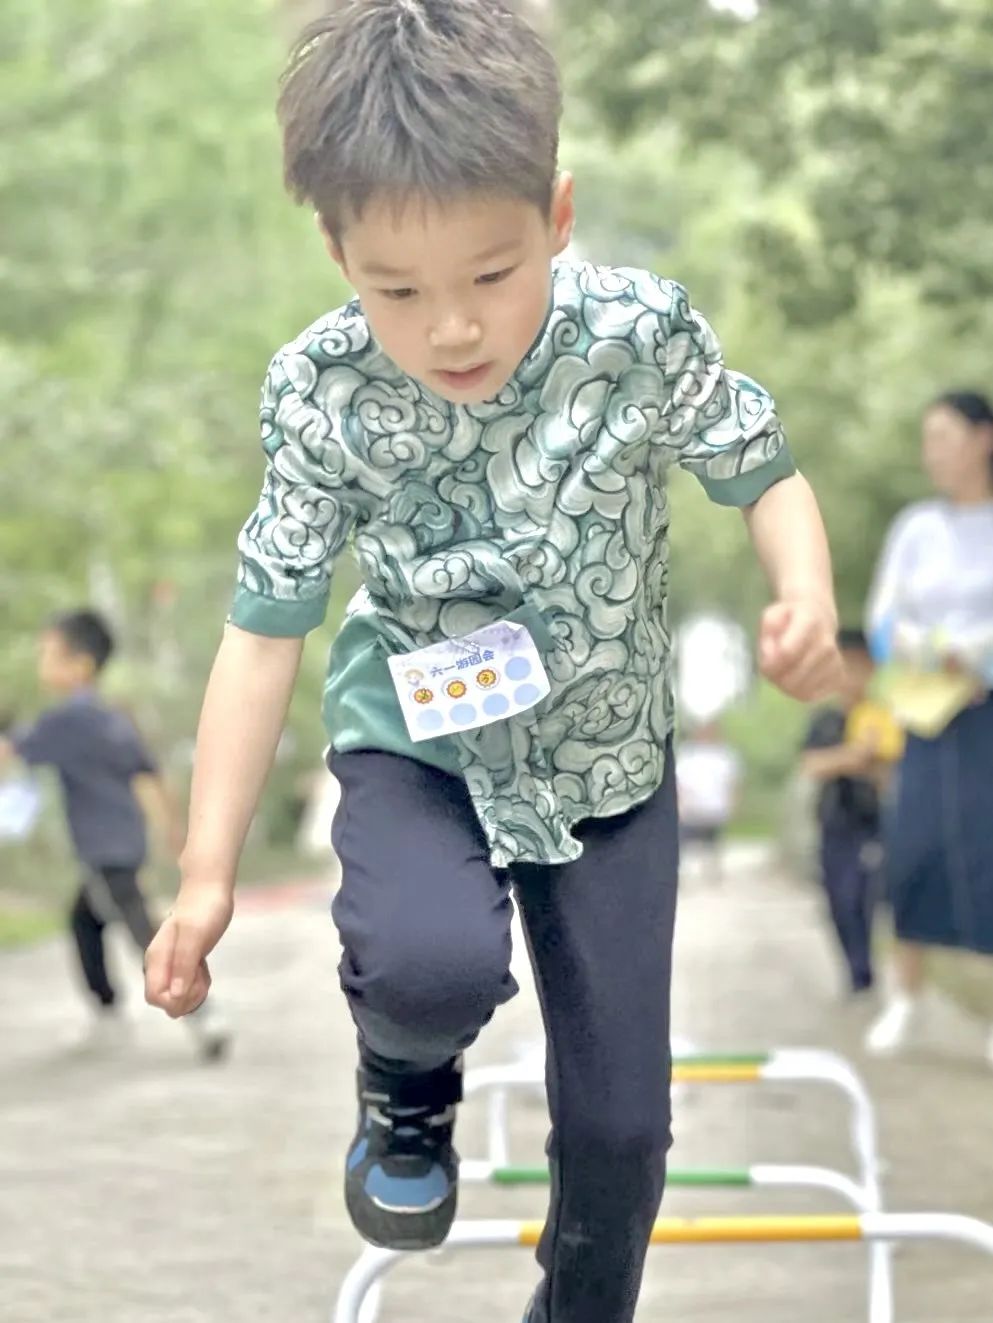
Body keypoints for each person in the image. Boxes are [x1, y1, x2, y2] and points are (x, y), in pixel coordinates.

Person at [142, 4, 843, 1320]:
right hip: (419, 736)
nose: (451, 327)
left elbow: (766, 469)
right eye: (396, 291)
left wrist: (802, 592)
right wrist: (203, 873)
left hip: (608, 749)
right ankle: (404, 1095)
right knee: (428, 962)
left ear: (557, 214)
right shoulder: (321, 392)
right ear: (336, 251)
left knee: (625, 1138)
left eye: (491, 274)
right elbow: (262, 632)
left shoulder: (638, 338)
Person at [0, 609, 228, 1061]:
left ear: (79, 665)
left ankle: (205, 1013)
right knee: (83, 921)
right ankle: (108, 1013)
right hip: (125, 842)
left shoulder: (66, 721)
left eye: (49, 654)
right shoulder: (113, 718)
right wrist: (172, 830)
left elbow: (12, 750)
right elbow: (149, 772)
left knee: (143, 932)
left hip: (103, 851)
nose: (42, 664)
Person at [863, 390, 993, 1058]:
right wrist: (921, 648)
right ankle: (904, 998)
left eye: (943, 435)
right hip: (922, 710)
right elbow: (883, 619)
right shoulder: (915, 526)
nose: (931, 451)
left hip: (985, 709)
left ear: (982, 438)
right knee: (911, 850)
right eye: (926, 438)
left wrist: (975, 656)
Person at [801, 629, 902, 998]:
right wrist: (853, 756)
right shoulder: (825, 720)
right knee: (837, 901)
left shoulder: (884, 716)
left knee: (863, 897)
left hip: (870, 824)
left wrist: (867, 763)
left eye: (859, 667)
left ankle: (865, 974)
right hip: (832, 822)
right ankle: (855, 970)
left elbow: (893, 771)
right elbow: (811, 764)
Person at [675, 720, 742, 879]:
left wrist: (733, 804)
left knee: (712, 841)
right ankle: (682, 871)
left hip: (716, 806)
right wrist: (679, 803)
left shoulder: (725, 754)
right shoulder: (688, 753)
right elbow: (679, 781)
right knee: (684, 840)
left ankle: (712, 871)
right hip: (692, 806)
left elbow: (733, 782)